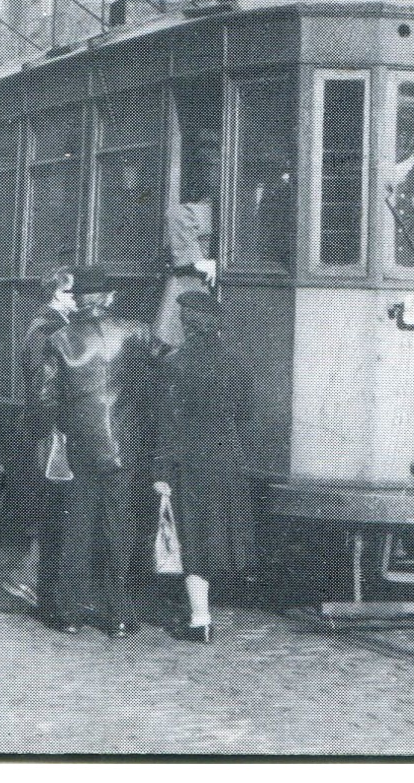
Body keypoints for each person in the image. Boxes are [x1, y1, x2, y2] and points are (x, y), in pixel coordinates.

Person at [37, 265, 160, 637]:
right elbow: (152, 381)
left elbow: (47, 397)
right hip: (126, 444)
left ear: (77, 300)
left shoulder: (60, 339)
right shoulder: (138, 332)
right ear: (108, 297)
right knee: (120, 528)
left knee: (78, 525)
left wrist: (60, 428)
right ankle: (120, 613)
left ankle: (70, 611)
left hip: (81, 445)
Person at [149, 291, 255, 644]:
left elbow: (165, 422)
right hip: (227, 459)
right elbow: (244, 414)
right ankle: (203, 613)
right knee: (218, 536)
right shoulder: (237, 362)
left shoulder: (174, 364)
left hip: (188, 461)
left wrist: (160, 472)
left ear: (188, 323)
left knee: (192, 539)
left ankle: (200, 618)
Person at [0, 266, 77, 612]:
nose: (79, 301)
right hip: (52, 430)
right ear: (59, 295)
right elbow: (48, 389)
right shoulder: (52, 330)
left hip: (43, 427)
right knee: (55, 504)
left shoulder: (40, 325)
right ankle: (27, 578)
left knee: (53, 504)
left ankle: (35, 580)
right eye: (74, 293)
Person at [154, 132, 219, 349]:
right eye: (211, 169)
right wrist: (198, 262)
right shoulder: (199, 210)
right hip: (191, 284)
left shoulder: (217, 209)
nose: (214, 175)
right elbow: (176, 216)